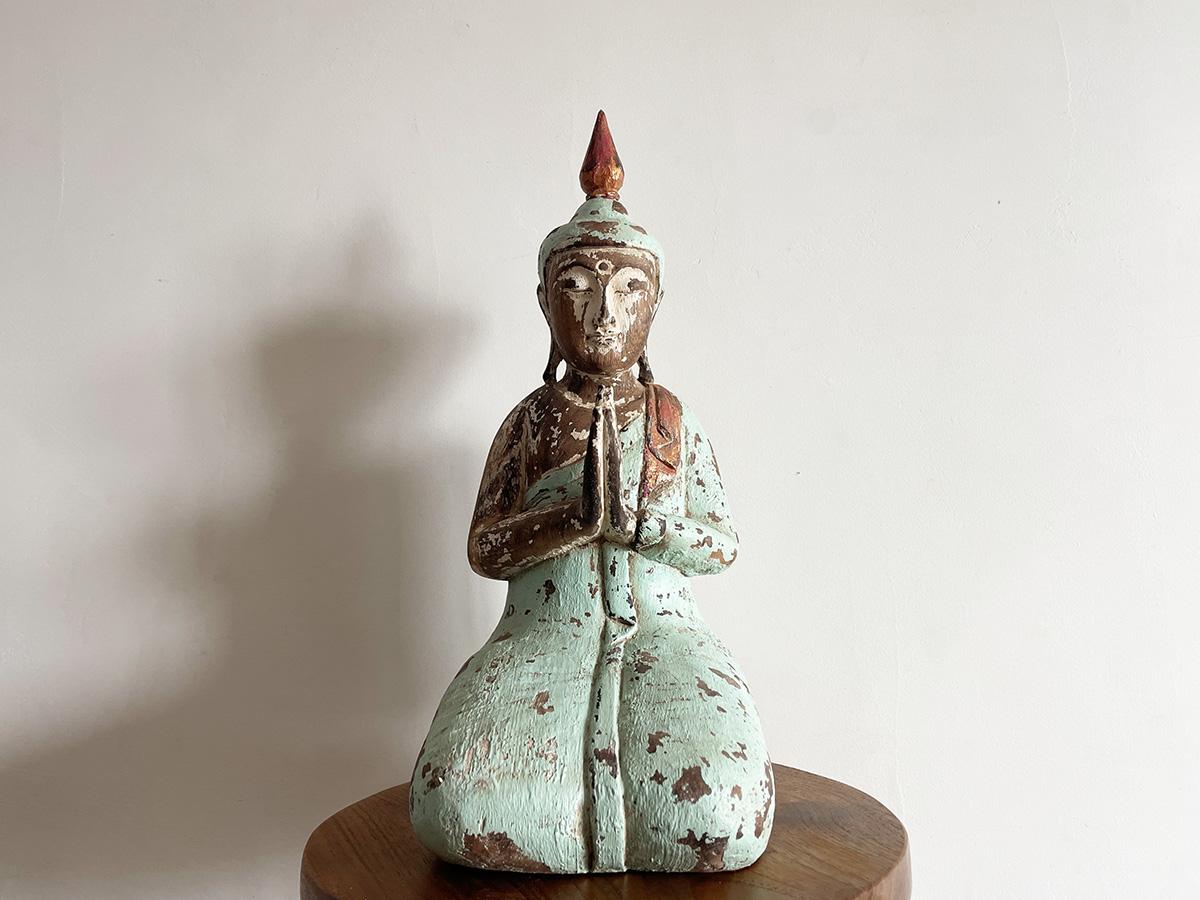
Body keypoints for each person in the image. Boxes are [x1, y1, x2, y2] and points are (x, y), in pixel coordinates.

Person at [409, 111, 774, 874]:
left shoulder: (671, 421)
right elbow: (486, 547)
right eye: (575, 288)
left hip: (668, 642)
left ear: (654, 306)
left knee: (720, 814)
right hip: (538, 643)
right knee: (457, 805)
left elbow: (722, 544)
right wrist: (566, 523)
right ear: (545, 305)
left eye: (628, 289)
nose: (603, 312)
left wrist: (649, 529)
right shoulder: (532, 421)